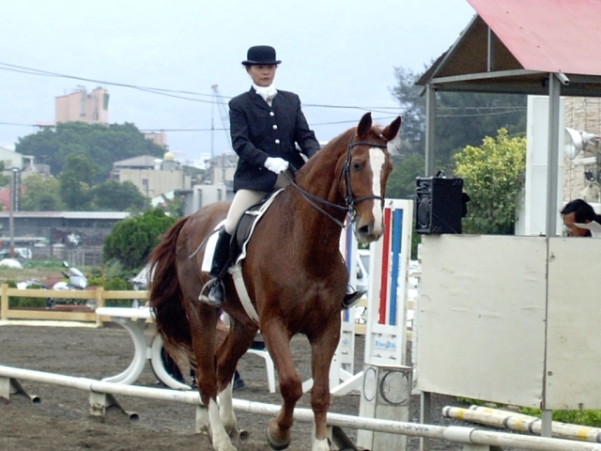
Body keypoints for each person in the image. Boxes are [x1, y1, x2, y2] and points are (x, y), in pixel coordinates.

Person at [201, 45, 364, 309]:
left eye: (270, 67)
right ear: (249, 70)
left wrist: (315, 159)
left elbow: (305, 136)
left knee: (322, 221)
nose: (265, 71)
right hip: (256, 179)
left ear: (275, 69)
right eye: (259, 67)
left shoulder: (291, 100)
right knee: (231, 223)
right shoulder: (239, 104)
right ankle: (216, 280)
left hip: (292, 175)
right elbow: (240, 143)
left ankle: (340, 283)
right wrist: (266, 160)